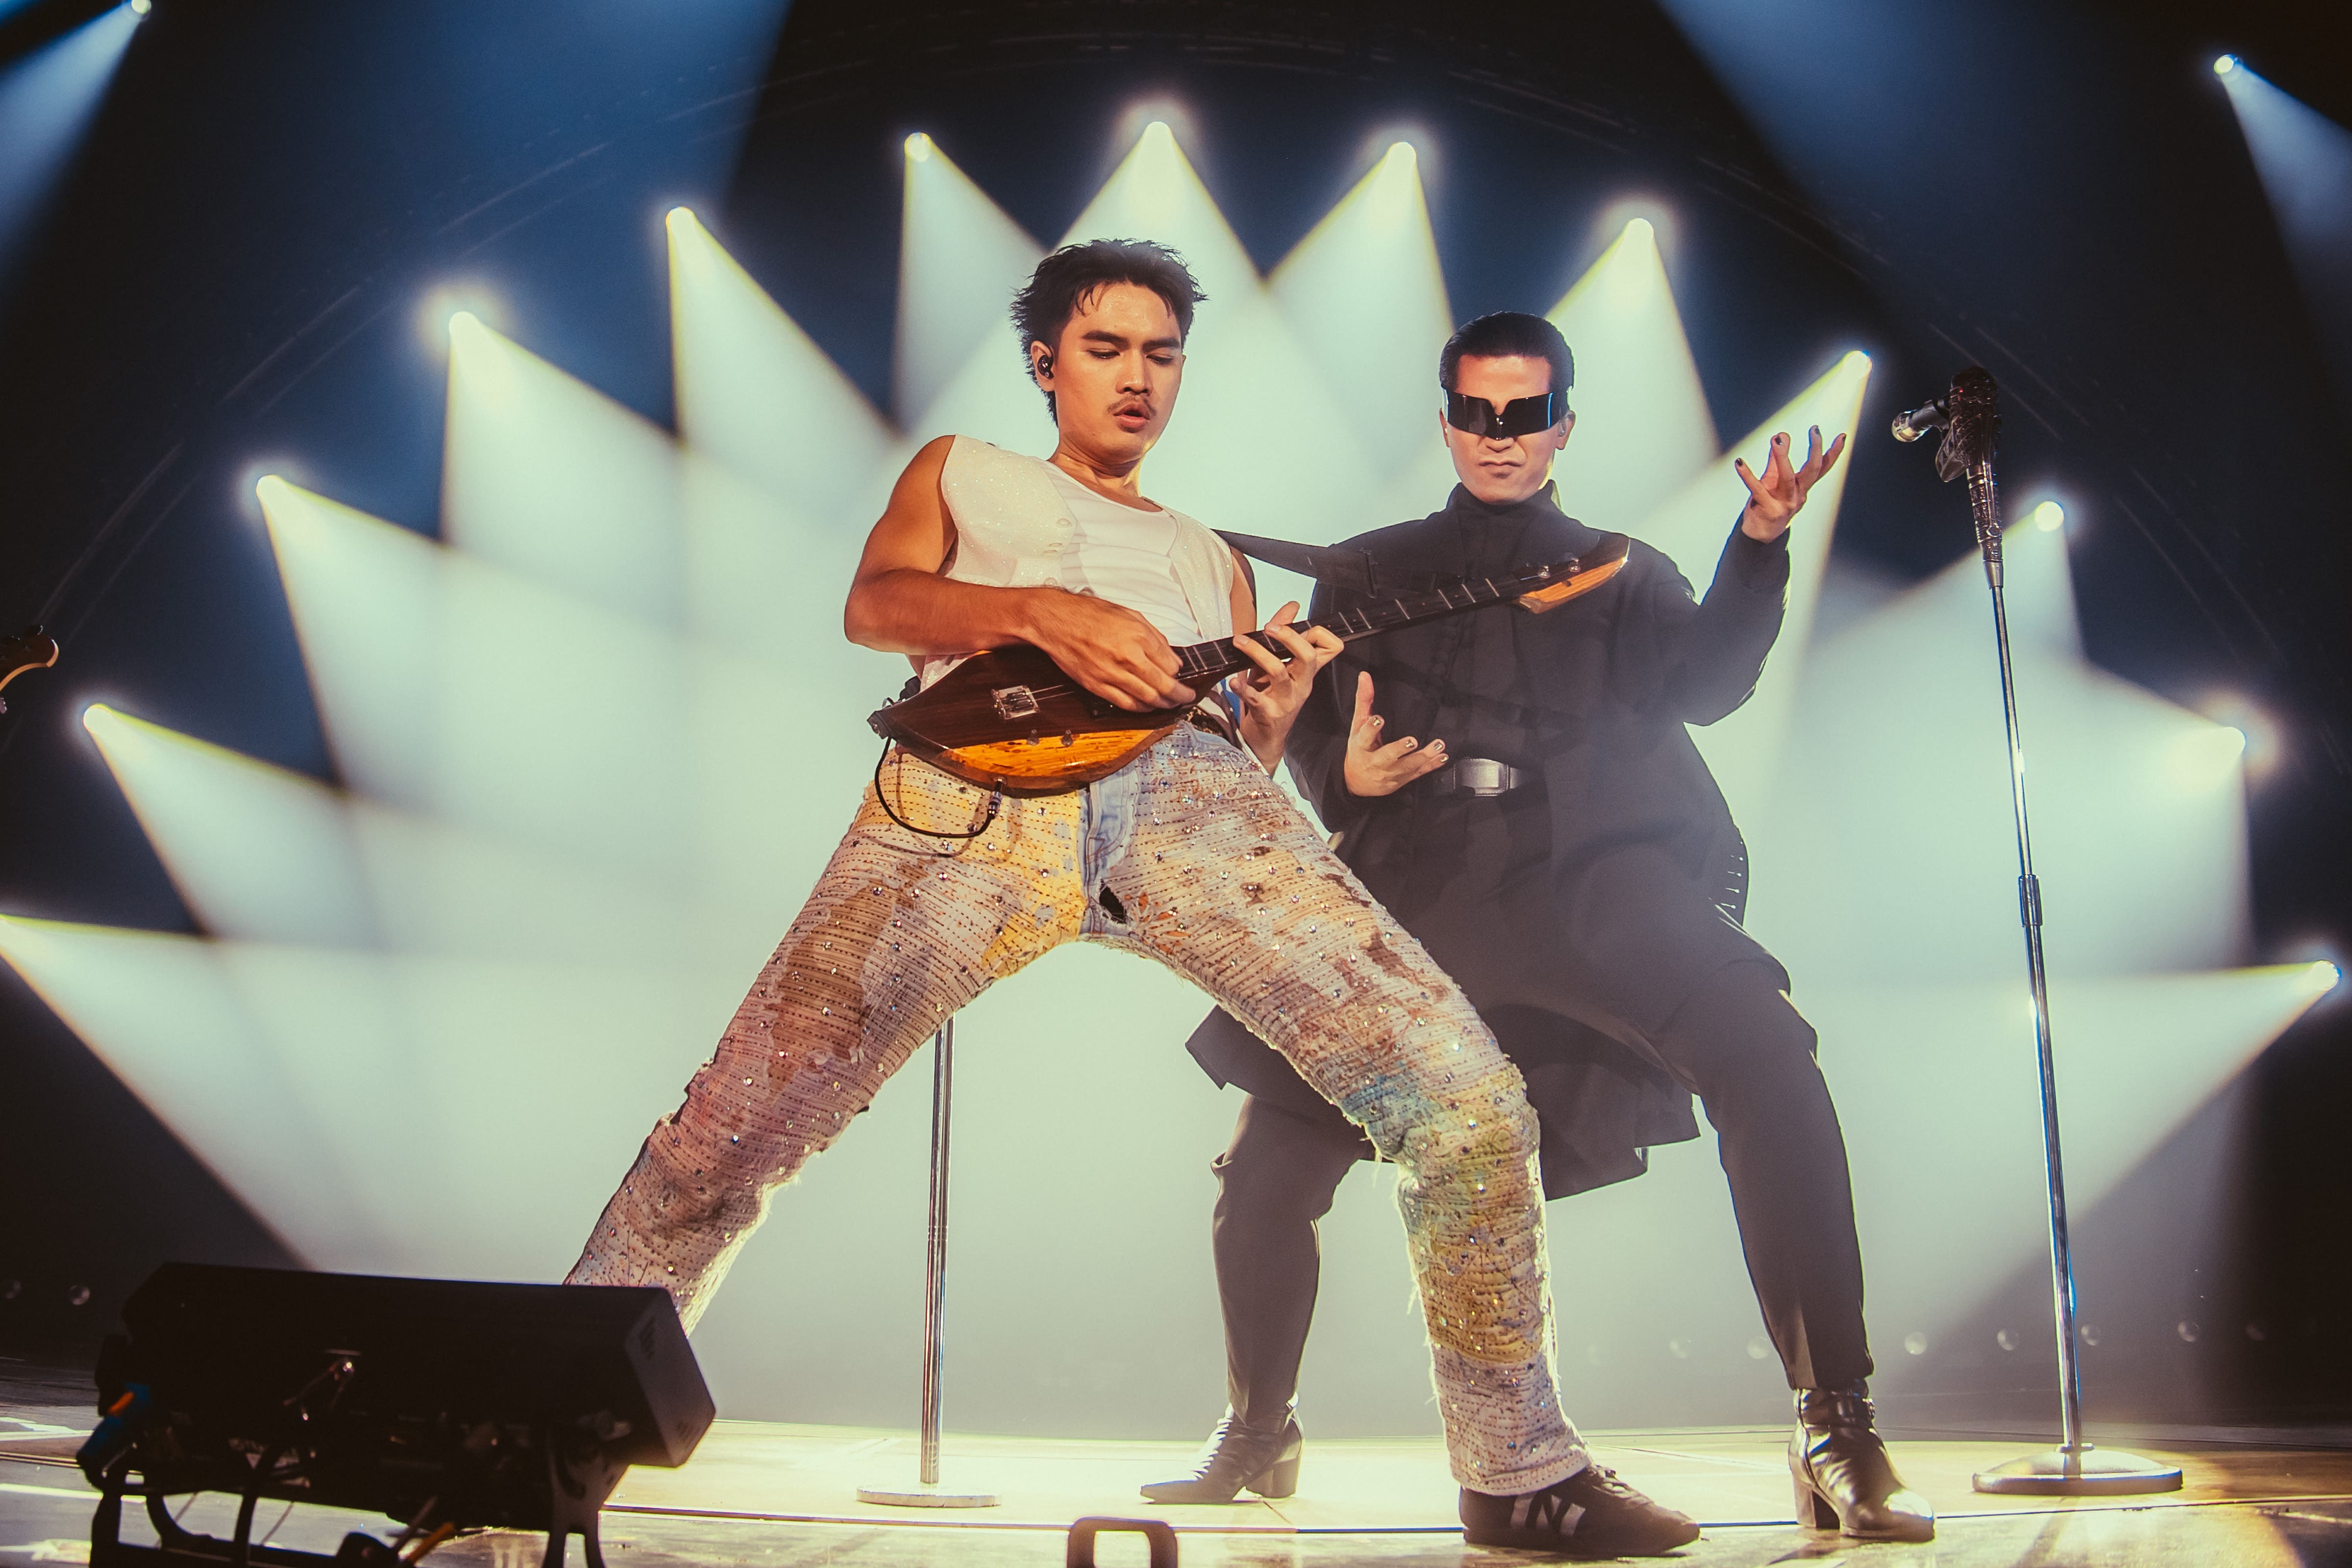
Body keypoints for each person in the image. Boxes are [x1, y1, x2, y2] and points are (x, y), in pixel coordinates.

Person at [566, 247, 1700, 1558]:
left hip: (1193, 805)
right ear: (1046, 362)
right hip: (966, 799)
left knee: (1464, 1095)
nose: (1137, 377)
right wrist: (1043, 613)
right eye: (1106, 348)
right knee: (732, 1132)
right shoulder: (965, 472)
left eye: (1162, 354)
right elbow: (875, 607)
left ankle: (1519, 1473)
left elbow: (1238, 750)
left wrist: (1271, 715)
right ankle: (545, 1432)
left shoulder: (1210, 557)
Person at [1162, 311, 1934, 1544]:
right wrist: (1339, 773)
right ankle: (1259, 1427)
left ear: (1564, 424)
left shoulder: (1623, 569)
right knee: (1268, 1157)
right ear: (1447, 422)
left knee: (1771, 1058)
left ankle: (1835, 1422)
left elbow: (1709, 686)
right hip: (1419, 882)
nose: (1500, 435)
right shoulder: (1367, 569)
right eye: (1478, 412)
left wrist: (1759, 546)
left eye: (1525, 414)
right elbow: (1311, 720)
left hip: (1597, 879)